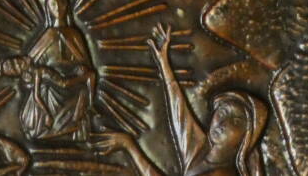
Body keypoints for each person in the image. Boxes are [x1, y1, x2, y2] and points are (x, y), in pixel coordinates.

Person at [96, 23, 268, 176]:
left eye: (236, 122)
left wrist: (130, 146)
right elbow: (180, 113)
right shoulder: (201, 152)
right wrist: (164, 63)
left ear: (247, 138)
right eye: (222, 112)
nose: (223, 124)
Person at [0, 0, 97, 142]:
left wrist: (82, 68)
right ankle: (50, 131)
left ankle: (78, 124)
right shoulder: (48, 35)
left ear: (67, 5)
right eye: (53, 3)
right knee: (46, 91)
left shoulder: (75, 34)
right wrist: (28, 76)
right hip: (50, 84)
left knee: (81, 86)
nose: (58, 7)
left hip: (73, 82)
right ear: (48, 8)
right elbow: (29, 63)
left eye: (61, 2)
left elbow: (86, 62)